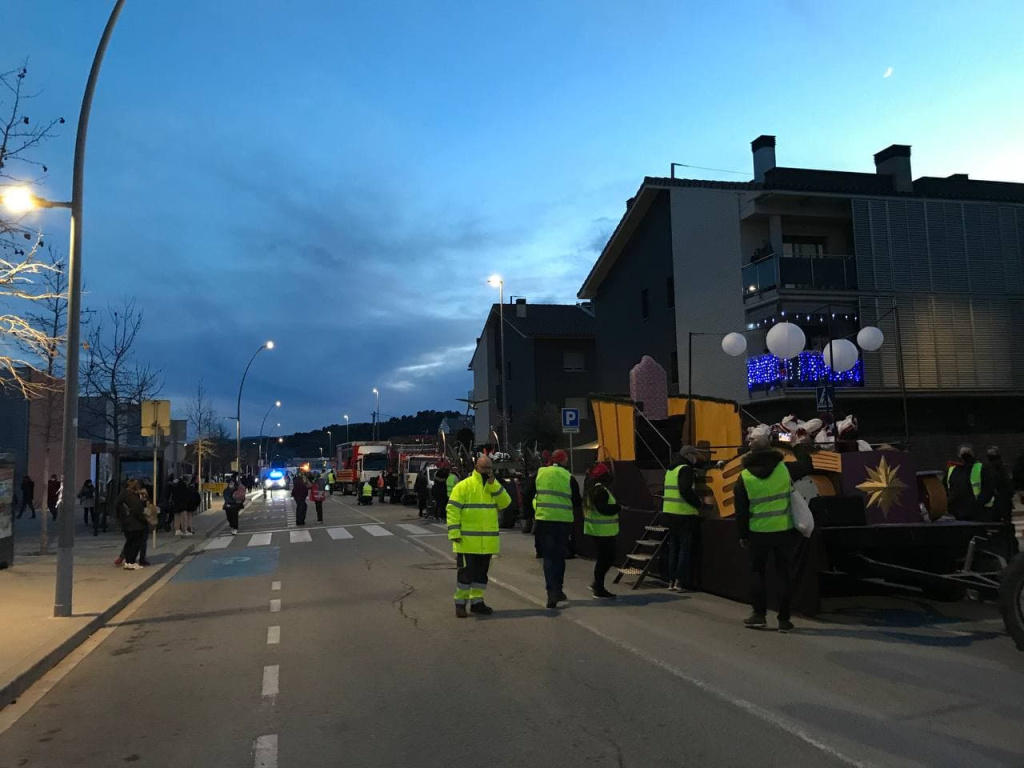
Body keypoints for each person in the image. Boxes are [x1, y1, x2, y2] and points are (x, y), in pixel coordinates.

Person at [734, 438, 799, 633]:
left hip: (758, 531)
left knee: (757, 572)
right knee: (783, 574)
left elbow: (741, 510)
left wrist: (743, 534)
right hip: (783, 529)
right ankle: (784, 619)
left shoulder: (744, 476)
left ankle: (759, 615)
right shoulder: (783, 469)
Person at [448, 455, 511, 618]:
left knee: (481, 574)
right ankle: (460, 603)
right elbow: (453, 510)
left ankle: (477, 602)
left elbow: (505, 502)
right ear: (477, 467)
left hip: (487, 542)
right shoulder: (464, 486)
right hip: (467, 541)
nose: (487, 472)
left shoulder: (492, 486)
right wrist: (454, 533)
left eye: (490, 469)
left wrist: (493, 484)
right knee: (465, 574)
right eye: (484, 469)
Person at [533, 450, 581, 610]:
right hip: (563, 522)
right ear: (564, 461)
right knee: (559, 557)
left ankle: (550, 592)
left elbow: (528, 494)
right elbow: (576, 501)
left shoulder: (540, 473)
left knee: (548, 557)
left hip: (544, 520)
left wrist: (527, 513)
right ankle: (558, 590)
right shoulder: (568, 477)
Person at [662, 446, 704, 591]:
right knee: (684, 549)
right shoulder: (686, 469)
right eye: (694, 454)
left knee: (673, 548)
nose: (695, 457)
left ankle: (671, 581)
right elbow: (685, 490)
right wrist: (698, 504)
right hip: (684, 514)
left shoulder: (670, 469)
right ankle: (680, 581)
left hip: (669, 513)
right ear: (688, 455)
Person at [583, 461, 619, 599]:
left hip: (596, 530)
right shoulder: (601, 491)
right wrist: (618, 507)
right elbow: (603, 509)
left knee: (603, 559)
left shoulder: (591, 489)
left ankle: (597, 584)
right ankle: (599, 588)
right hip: (604, 531)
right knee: (606, 559)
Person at [945, 444, 995, 521]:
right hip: (961, 511)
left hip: (975, 511)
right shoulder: (981, 468)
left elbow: (988, 489)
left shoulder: (952, 470)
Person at [116, 480, 148, 570]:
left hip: (126, 522)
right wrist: (143, 518)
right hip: (135, 523)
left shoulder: (123, 496)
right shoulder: (132, 497)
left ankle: (128, 562)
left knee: (130, 542)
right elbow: (137, 510)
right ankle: (131, 562)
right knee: (135, 543)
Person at [986, 447, 1014, 524]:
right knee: (1006, 520)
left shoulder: (987, 469)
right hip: (1004, 498)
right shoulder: (1003, 468)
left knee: (994, 522)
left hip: (994, 499)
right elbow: (1008, 484)